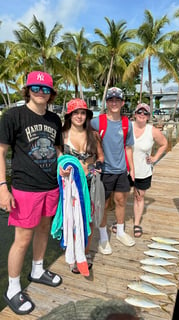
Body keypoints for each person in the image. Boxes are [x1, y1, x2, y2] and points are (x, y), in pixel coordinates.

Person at [0, 71, 63, 315]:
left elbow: (57, 150)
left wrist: (66, 167)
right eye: (36, 88)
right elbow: (1, 152)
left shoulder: (54, 119)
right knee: (22, 238)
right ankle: (13, 288)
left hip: (51, 186)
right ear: (28, 90)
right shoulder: (13, 115)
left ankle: (37, 269)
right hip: (25, 189)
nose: (40, 93)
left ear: (51, 94)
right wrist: (3, 188)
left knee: (45, 230)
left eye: (45, 89)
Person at [60, 98, 104, 273]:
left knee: (89, 219)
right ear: (69, 115)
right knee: (71, 220)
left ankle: (84, 253)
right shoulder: (62, 135)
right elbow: (58, 159)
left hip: (90, 181)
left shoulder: (93, 135)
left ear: (87, 115)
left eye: (82, 112)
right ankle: (73, 254)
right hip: (70, 184)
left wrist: (98, 166)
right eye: (75, 112)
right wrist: (61, 169)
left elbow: (101, 157)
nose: (79, 116)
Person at [91, 87, 135, 255]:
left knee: (121, 201)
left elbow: (128, 148)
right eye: (111, 100)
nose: (114, 103)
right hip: (104, 172)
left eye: (117, 100)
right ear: (107, 103)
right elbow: (82, 134)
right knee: (103, 205)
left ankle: (121, 232)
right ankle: (103, 237)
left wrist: (132, 170)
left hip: (122, 171)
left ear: (122, 103)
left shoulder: (127, 124)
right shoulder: (97, 122)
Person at [132, 103, 168, 237]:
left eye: (145, 113)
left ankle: (136, 223)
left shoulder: (152, 130)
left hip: (143, 171)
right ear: (135, 114)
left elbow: (164, 144)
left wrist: (155, 158)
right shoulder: (127, 127)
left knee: (139, 197)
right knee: (121, 198)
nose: (142, 115)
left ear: (148, 116)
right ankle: (119, 222)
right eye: (139, 112)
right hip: (125, 170)